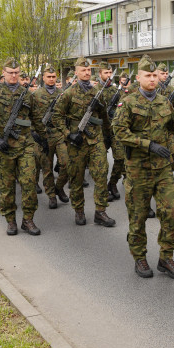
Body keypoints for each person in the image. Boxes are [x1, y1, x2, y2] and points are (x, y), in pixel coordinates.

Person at [112, 54, 174, 279]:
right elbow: (119, 132)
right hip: (138, 170)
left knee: (170, 211)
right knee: (138, 217)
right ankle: (139, 258)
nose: (152, 79)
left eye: (154, 75)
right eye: (147, 75)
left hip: (162, 169)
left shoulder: (163, 101)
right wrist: (148, 145)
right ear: (138, 77)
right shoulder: (128, 102)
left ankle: (166, 258)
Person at [0, 58, 48, 235]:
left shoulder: (28, 94)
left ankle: (28, 220)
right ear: (4, 74)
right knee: (7, 187)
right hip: (4, 147)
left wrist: (45, 139)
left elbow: (37, 119)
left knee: (29, 183)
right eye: (10, 72)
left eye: (16, 72)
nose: (14, 75)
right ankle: (10, 220)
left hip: (25, 146)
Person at [53, 56, 115, 228]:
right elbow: (56, 116)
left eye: (89, 70)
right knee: (76, 178)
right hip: (77, 142)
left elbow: (103, 115)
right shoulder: (68, 93)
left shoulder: (97, 92)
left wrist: (108, 134)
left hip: (96, 140)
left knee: (101, 174)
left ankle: (100, 211)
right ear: (77, 72)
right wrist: (68, 134)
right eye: (83, 70)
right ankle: (79, 210)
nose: (87, 73)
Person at [31, 66, 70, 208]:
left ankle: (59, 188)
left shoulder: (63, 93)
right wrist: (34, 133)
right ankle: (51, 195)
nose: (52, 79)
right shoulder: (36, 95)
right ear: (43, 77)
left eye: (54, 77)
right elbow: (30, 115)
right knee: (46, 169)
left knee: (66, 163)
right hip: (43, 135)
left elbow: (68, 114)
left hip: (59, 134)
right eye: (49, 76)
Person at [95, 61, 125, 201]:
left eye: (110, 72)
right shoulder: (94, 90)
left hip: (114, 130)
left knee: (120, 158)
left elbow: (122, 108)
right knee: (101, 164)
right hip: (98, 131)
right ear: (100, 74)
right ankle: (102, 192)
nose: (108, 75)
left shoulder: (115, 91)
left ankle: (112, 184)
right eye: (105, 73)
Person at [156, 62, 174, 170]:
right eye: (162, 73)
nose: (165, 75)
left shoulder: (170, 89)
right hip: (155, 127)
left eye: (166, 73)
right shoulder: (152, 88)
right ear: (156, 74)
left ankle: (170, 173)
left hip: (169, 126)